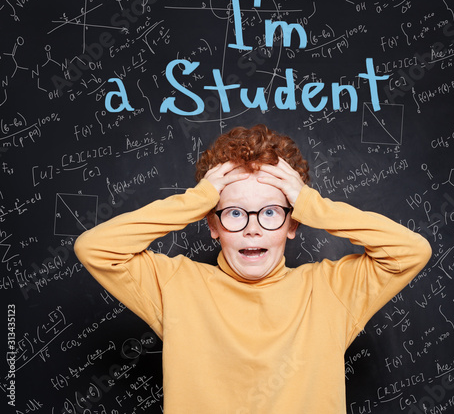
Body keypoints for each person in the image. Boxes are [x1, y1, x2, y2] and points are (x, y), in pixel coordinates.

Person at [74, 124, 431, 414]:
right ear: (211, 225)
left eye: (271, 212)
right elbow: (94, 248)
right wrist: (197, 200)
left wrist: (310, 203)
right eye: (233, 213)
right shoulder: (175, 286)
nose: (252, 227)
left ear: (294, 224)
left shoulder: (331, 291)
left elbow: (411, 252)